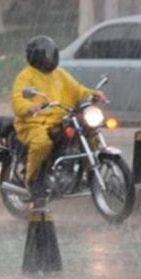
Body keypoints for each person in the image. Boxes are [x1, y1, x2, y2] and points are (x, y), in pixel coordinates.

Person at [11, 36, 105, 192]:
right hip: (33, 123)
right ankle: (32, 180)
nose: (48, 60)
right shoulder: (25, 76)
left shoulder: (60, 74)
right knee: (42, 144)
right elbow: (17, 99)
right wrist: (30, 107)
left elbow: (77, 89)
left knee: (89, 131)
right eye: (45, 56)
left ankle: (89, 172)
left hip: (61, 120)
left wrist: (93, 94)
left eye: (50, 55)